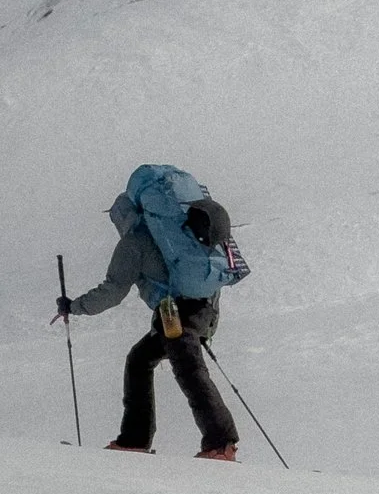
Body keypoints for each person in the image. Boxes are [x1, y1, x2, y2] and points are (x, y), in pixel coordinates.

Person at [55, 177, 241, 461]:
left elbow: (113, 291)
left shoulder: (135, 242)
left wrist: (74, 306)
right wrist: (205, 325)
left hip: (176, 313)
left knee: (188, 370)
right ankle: (135, 440)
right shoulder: (174, 235)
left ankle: (220, 443)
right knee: (141, 359)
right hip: (202, 310)